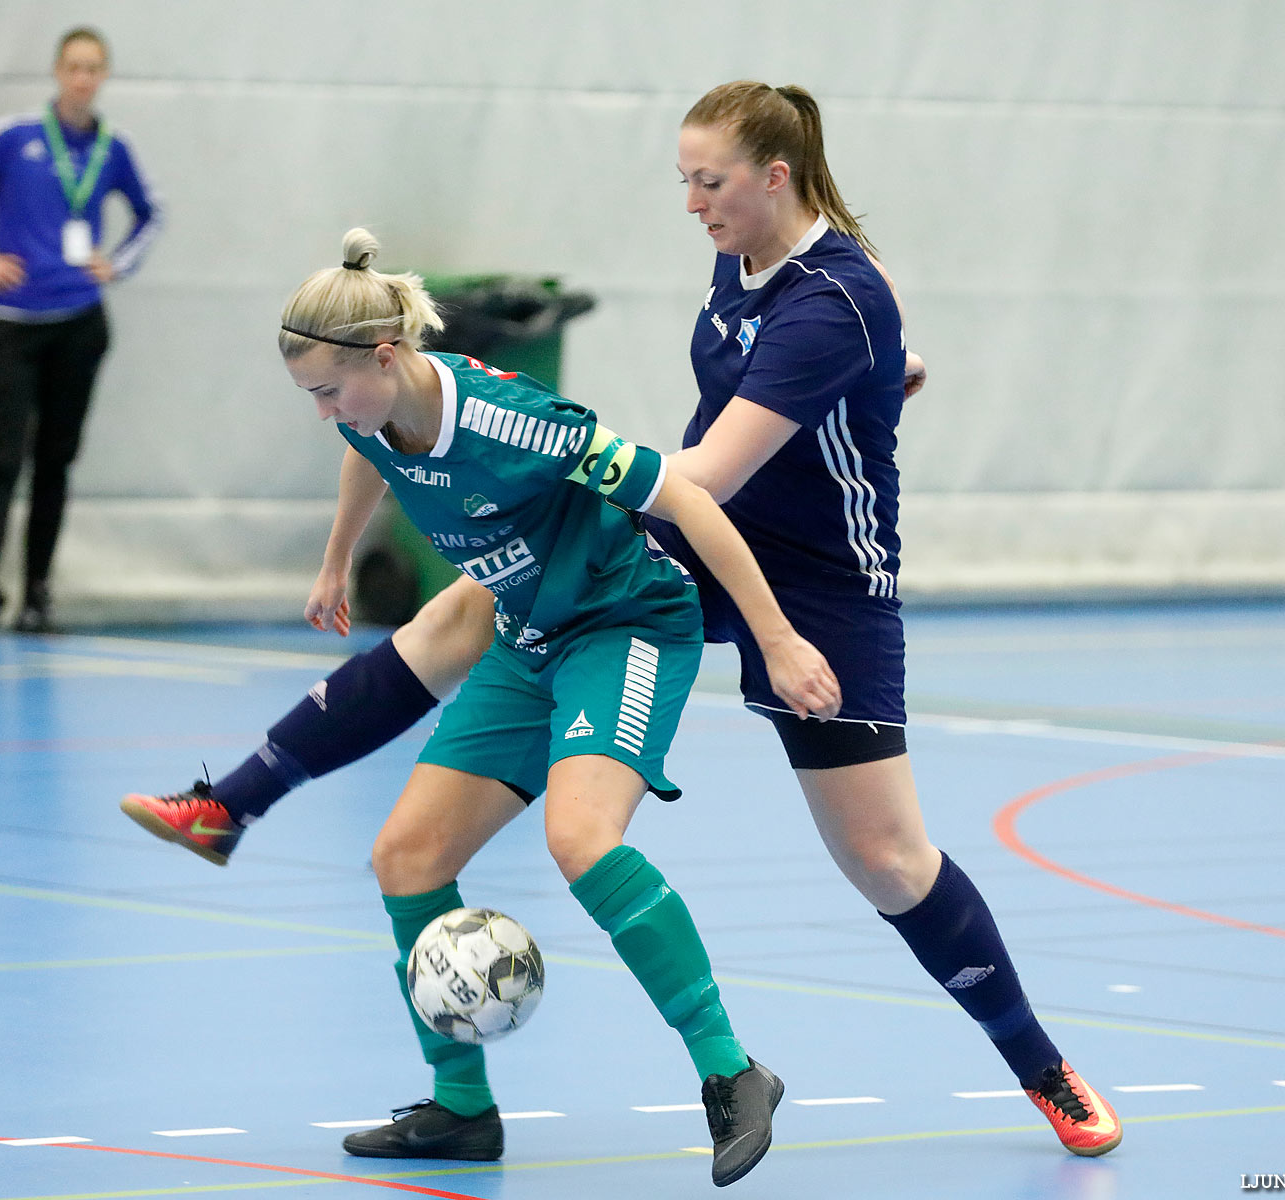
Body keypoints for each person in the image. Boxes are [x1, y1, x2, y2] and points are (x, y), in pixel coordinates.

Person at [123, 81, 1122, 1158]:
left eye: (710, 182)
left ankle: (1039, 1063)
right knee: (485, 598)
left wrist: (571, 472)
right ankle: (236, 804)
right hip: (702, 530)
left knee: (885, 858)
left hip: (820, 583)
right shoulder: (743, 265)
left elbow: (706, 473)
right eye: (684, 180)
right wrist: (883, 378)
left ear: (772, 179)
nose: (691, 202)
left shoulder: (833, 302)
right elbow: (812, 380)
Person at [143, 226, 837, 1184]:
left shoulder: (517, 421)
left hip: (623, 624)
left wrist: (779, 638)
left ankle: (732, 1071)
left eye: (330, 390)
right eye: (310, 396)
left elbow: (688, 501)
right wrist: (338, 556)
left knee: (580, 840)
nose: (324, 414)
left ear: (387, 355)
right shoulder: (369, 407)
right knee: (406, 858)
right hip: (526, 632)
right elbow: (366, 446)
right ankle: (462, 1109)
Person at [0, 26, 162, 637]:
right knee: (4, 461)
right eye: (74, 67)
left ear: (104, 75)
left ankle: (37, 596)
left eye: (94, 68)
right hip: (12, 325)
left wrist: (119, 263)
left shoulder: (113, 146)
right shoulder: (17, 136)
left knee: (56, 462)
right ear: (57, 71)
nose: (83, 78)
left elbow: (150, 212)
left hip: (79, 323)